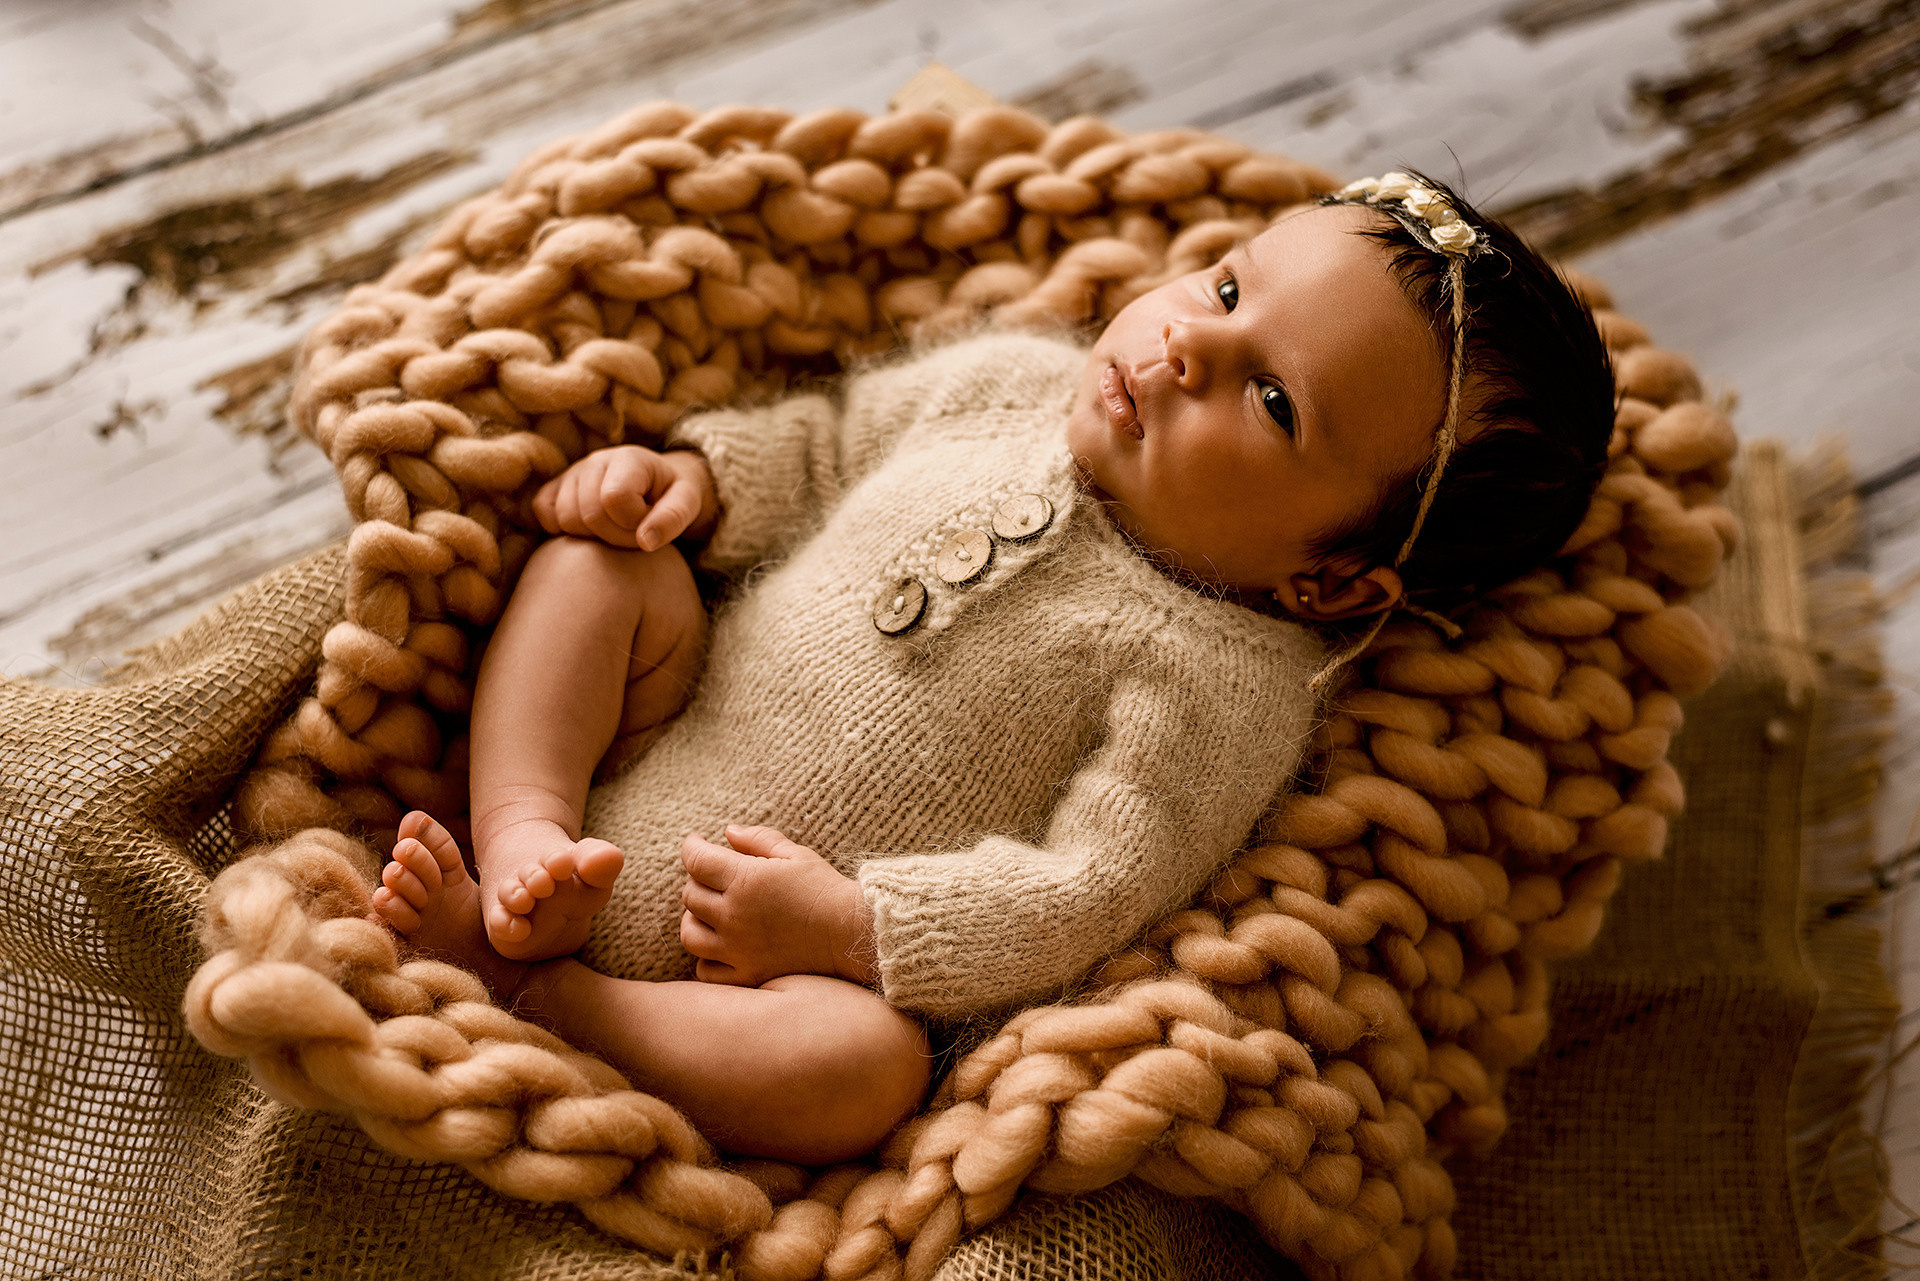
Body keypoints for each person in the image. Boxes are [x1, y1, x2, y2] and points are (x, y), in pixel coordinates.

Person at [366, 173, 1614, 1164]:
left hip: (767, 975)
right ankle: (522, 830)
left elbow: (1085, 888)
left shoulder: (1222, 683)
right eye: (1228, 289)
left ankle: (551, 999)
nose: (1188, 347)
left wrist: (857, 930)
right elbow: (827, 445)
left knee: (867, 1070)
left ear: (1332, 583)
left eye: (1274, 402)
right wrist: (696, 482)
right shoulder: (1008, 383)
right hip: (647, 739)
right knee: (602, 570)